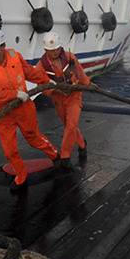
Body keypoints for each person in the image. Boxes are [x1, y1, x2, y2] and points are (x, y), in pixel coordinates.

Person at [0, 27, 59, 192]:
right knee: (9, 150)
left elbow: (29, 72)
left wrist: (47, 82)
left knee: (33, 138)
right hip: (3, 113)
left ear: (3, 46)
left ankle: (55, 155)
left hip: (24, 108)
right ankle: (21, 176)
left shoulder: (15, 56)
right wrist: (14, 94)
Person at [36, 31, 90, 168]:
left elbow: (80, 73)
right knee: (69, 126)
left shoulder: (70, 57)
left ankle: (65, 156)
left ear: (60, 47)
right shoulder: (41, 66)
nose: (54, 52)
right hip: (58, 98)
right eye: (51, 50)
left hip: (74, 95)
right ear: (45, 49)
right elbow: (41, 86)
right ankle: (82, 145)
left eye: (56, 49)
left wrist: (87, 84)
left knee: (71, 125)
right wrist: (54, 90)